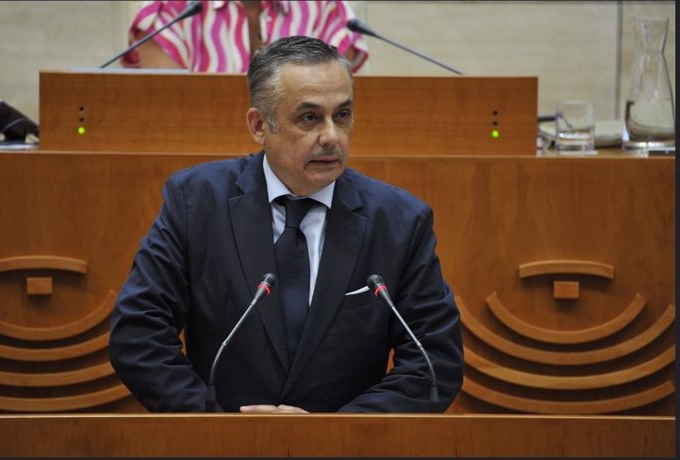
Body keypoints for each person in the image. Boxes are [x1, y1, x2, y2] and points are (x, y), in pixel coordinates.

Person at [109, 35, 463, 413]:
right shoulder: (196, 203)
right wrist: (217, 428)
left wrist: (331, 437)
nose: (331, 136)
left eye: (342, 115)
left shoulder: (399, 221)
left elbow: (433, 363)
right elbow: (139, 335)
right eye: (309, 117)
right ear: (260, 125)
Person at [121, 0, 369, 73]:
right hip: (201, 165)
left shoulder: (327, 8)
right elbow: (164, 109)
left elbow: (334, 102)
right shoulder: (169, 9)